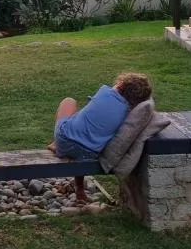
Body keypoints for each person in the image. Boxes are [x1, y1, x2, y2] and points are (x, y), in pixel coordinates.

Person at [47, 72, 153, 202]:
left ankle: (56, 144)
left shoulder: (104, 92)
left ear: (119, 85)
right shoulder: (128, 114)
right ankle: (79, 189)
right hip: (89, 153)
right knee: (86, 141)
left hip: (64, 141)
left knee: (69, 101)